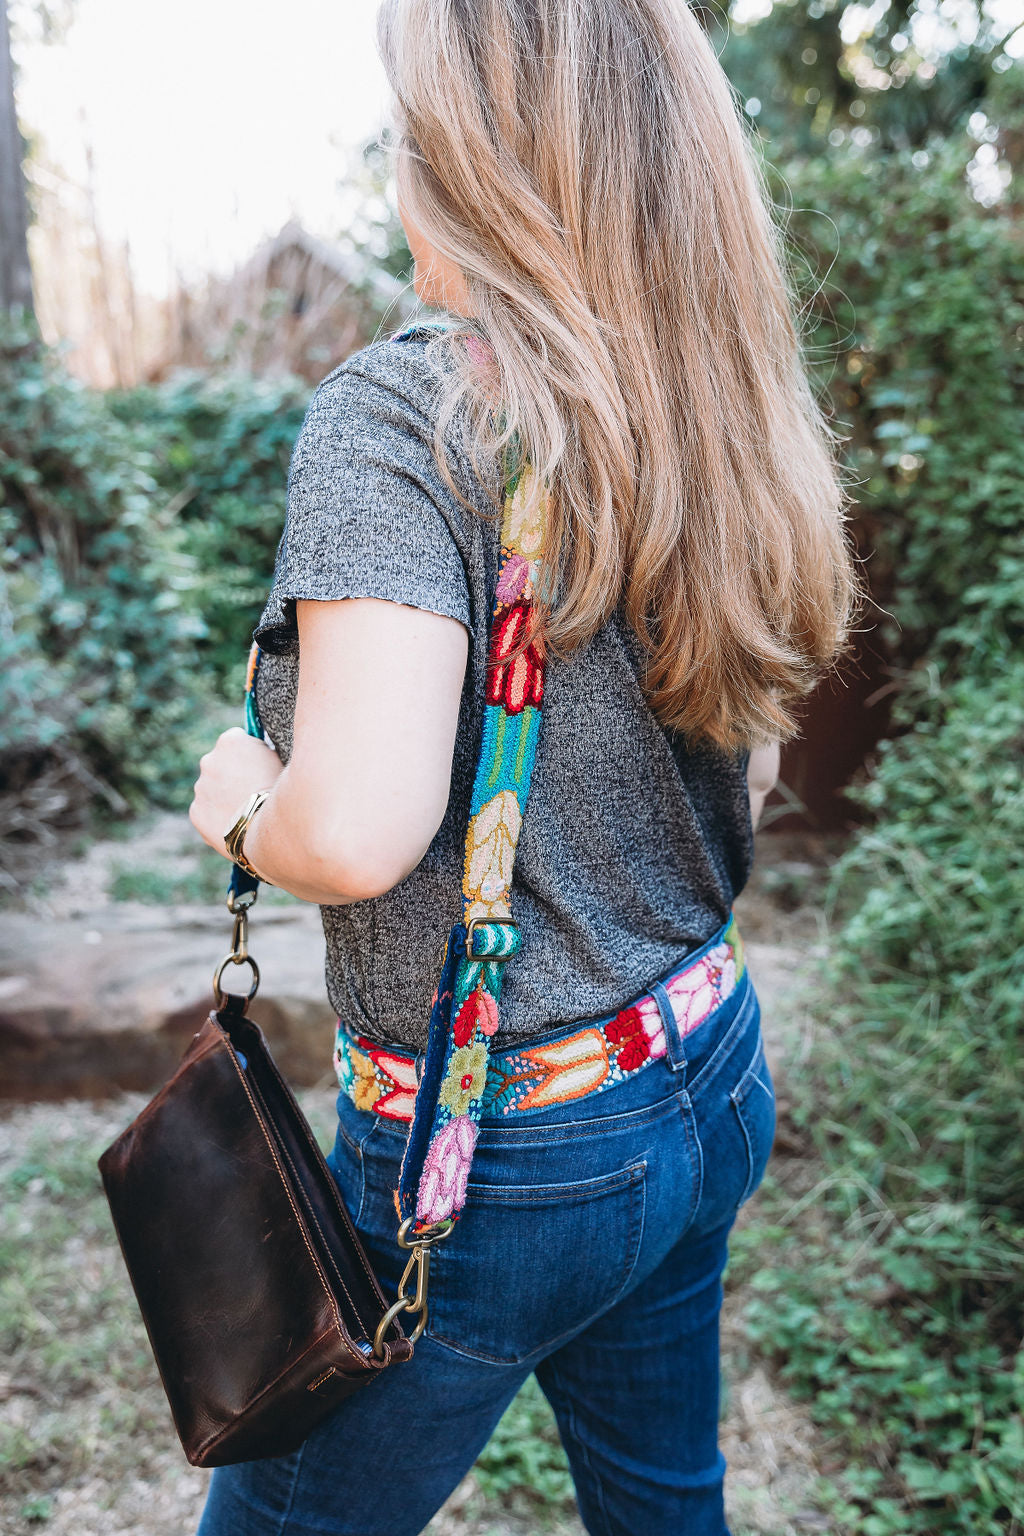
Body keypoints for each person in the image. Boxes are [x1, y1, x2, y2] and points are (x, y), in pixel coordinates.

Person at [187, 2, 856, 1531]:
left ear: (473, 156)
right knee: (664, 1502)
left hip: (496, 1160)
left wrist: (231, 794)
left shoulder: (406, 416)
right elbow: (742, 782)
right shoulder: (715, 403)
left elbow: (353, 832)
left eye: (411, 127)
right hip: (702, 1068)